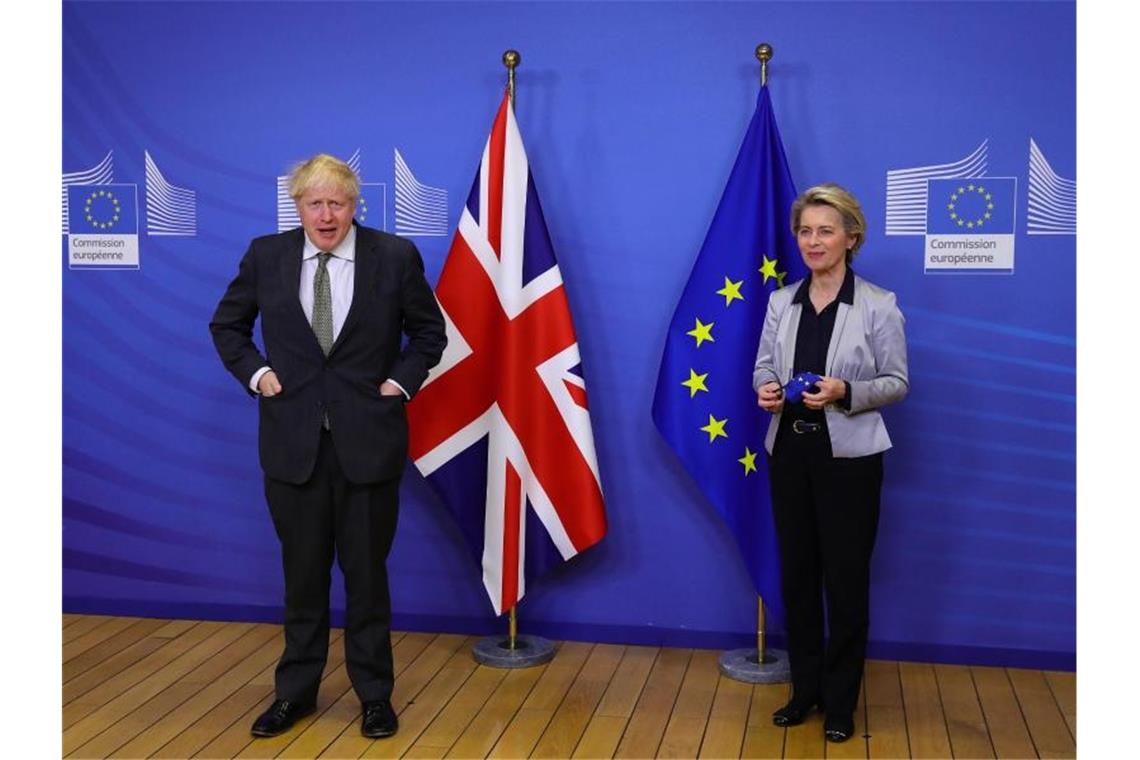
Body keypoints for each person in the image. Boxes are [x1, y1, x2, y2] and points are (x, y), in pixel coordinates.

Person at [209, 153, 446, 739]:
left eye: (337, 203)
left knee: (367, 578)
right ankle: (295, 694)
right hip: (292, 448)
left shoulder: (393, 256)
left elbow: (429, 333)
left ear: (354, 205)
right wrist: (258, 375)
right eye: (314, 203)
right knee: (302, 578)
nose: (326, 214)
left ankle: (374, 696)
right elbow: (228, 327)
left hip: (368, 445)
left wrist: (399, 382)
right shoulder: (267, 256)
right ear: (297, 207)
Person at [752, 183, 908, 743]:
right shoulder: (780, 301)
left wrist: (845, 390)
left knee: (845, 583)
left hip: (850, 464)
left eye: (824, 231)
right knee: (797, 579)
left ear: (851, 238)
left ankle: (841, 702)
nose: (812, 241)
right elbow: (764, 367)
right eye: (804, 231)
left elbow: (897, 382)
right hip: (789, 456)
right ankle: (805, 691)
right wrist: (767, 389)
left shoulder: (878, 305)